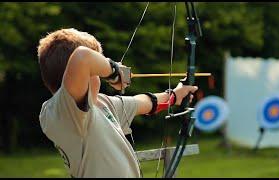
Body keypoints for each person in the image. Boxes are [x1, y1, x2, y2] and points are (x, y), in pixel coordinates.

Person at [37, 28, 198, 178]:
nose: (99, 76)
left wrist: (174, 96)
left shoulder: (102, 104)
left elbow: (143, 102)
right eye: (97, 71)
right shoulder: (62, 112)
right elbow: (82, 57)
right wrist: (113, 72)